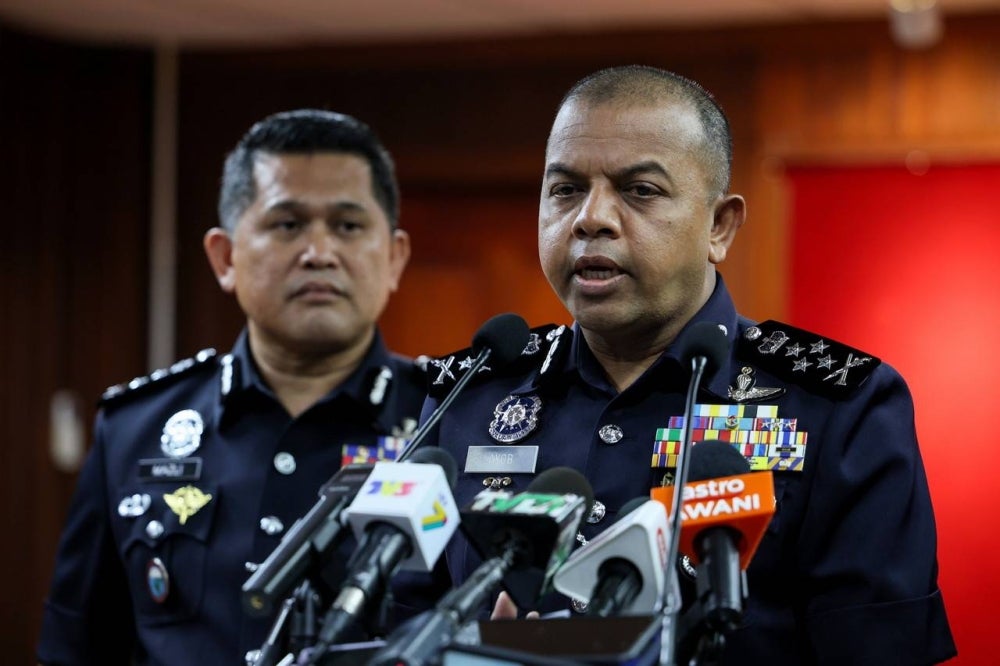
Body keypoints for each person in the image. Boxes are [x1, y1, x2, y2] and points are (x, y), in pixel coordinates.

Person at [417, 65, 957, 664]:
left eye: (640, 190)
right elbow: (392, 626)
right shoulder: (467, 395)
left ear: (720, 226)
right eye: (565, 189)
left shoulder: (841, 408)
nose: (590, 218)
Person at [37, 109, 427, 665]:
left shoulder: (450, 420)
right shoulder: (135, 431)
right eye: (287, 224)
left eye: (347, 225)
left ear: (393, 257)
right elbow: (73, 649)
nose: (319, 252)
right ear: (225, 258)